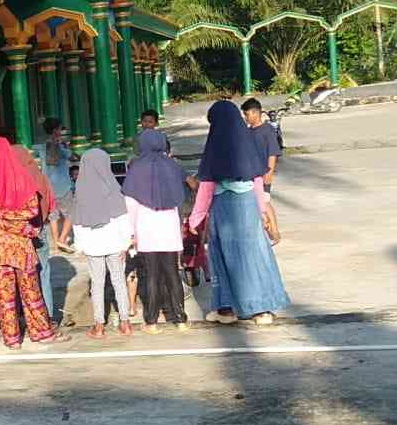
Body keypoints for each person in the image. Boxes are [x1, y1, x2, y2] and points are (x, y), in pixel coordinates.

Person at [189, 100, 290, 325]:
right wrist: (263, 210)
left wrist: (196, 218)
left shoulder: (213, 149)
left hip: (222, 210)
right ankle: (262, 311)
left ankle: (226, 311)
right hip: (248, 208)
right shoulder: (247, 144)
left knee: (223, 258)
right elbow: (257, 181)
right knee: (254, 256)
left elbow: (206, 188)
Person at [0, 137, 70, 349]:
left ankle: (12, 339)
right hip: (22, 244)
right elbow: (30, 210)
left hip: (0, 248)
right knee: (31, 292)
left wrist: (5, 217)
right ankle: (40, 332)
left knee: (6, 296)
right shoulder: (22, 179)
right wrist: (22, 227)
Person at [122, 128, 190, 334]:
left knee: (151, 275)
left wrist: (131, 233)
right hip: (169, 226)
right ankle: (180, 319)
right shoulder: (172, 165)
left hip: (146, 227)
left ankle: (151, 322)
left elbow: (130, 203)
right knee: (172, 273)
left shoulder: (136, 168)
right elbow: (181, 197)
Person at [71, 148, 134, 339]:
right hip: (116, 244)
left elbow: (78, 224)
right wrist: (126, 244)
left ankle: (99, 326)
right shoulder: (114, 189)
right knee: (119, 281)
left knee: (97, 284)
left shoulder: (80, 192)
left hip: (92, 246)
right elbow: (124, 219)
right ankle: (125, 323)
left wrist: (80, 246)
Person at [11, 141, 60, 325]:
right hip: (42, 228)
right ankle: (48, 315)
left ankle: (29, 316)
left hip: (22, 233)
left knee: (23, 276)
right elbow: (52, 204)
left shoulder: (16, 179)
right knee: (43, 273)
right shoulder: (41, 177)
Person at [39, 117, 76, 255]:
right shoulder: (58, 146)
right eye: (60, 129)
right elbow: (72, 157)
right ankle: (62, 238)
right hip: (62, 186)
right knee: (71, 213)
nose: (61, 131)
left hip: (48, 186)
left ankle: (56, 244)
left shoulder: (43, 146)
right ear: (55, 130)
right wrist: (67, 147)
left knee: (53, 216)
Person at [241, 98, 282, 193]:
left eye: (247, 115)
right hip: (250, 176)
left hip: (263, 175)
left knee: (263, 203)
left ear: (255, 113)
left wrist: (269, 173)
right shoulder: (247, 131)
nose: (245, 118)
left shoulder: (268, 130)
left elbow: (272, 153)